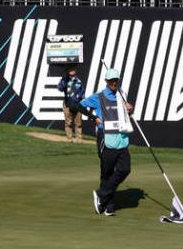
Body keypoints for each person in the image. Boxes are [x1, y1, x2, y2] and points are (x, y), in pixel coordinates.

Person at [79, 68, 135, 217]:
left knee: (125, 169)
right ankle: (109, 206)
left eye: (116, 80)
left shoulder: (122, 95)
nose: (114, 83)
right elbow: (80, 105)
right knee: (107, 173)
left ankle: (101, 195)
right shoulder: (98, 97)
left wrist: (131, 109)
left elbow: (127, 113)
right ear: (106, 81)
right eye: (111, 81)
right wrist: (94, 117)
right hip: (106, 137)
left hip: (122, 138)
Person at [57, 65, 85, 142]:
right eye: (70, 69)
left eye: (73, 69)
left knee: (78, 122)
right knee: (68, 122)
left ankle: (79, 138)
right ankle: (69, 138)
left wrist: (82, 102)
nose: (72, 70)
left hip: (78, 104)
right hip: (67, 103)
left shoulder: (79, 81)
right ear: (67, 70)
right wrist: (64, 81)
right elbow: (60, 88)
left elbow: (82, 92)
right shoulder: (64, 80)